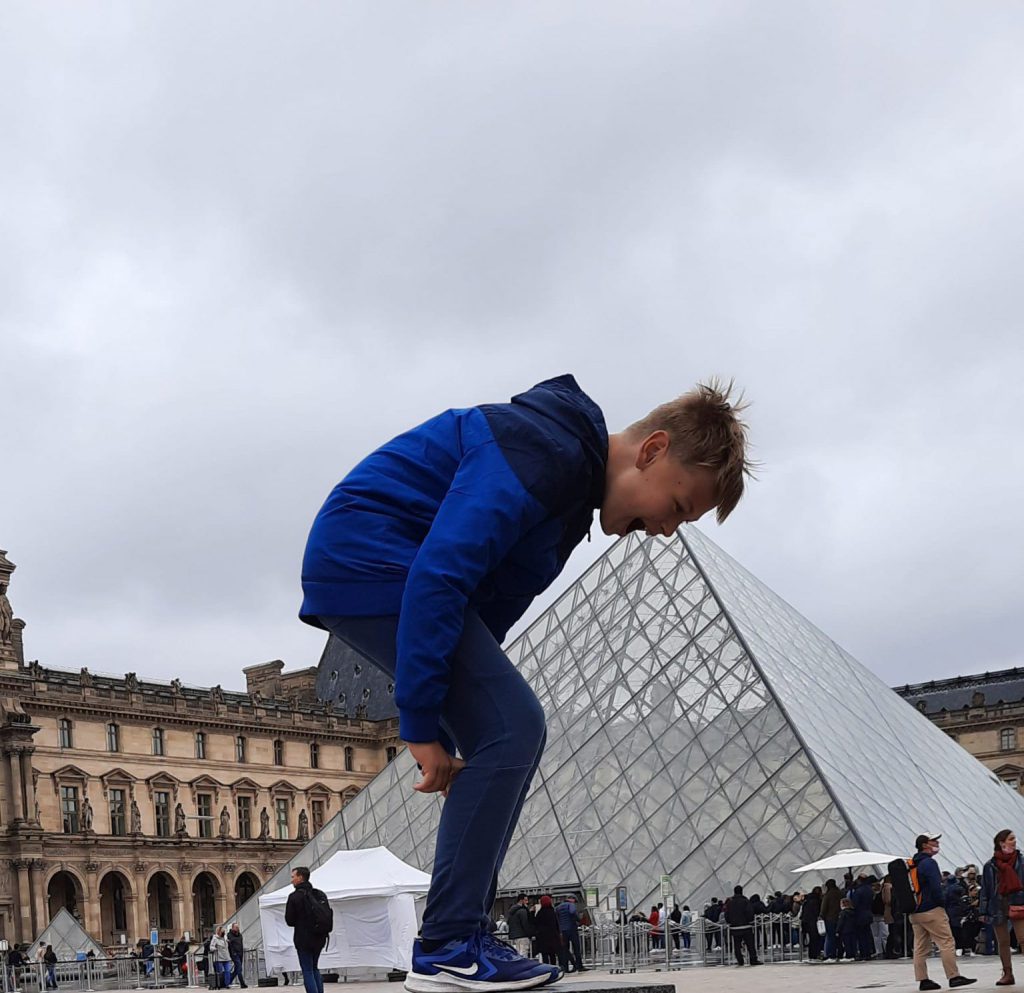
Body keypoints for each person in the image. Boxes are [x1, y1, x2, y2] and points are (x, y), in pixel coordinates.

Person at [300, 376, 750, 992]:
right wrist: (423, 721)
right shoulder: (543, 450)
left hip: (381, 564)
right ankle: (450, 943)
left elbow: (489, 616)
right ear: (653, 451)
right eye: (676, 507)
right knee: (515, 725)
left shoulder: (568, 488)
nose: (667, 530)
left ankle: (461, 935)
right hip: (374, 561)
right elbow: (441, 572)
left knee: (509, 731)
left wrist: (468, 718)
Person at [910, 832, 976, 991]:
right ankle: (954, 976)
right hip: (932, 909)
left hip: (915, 911)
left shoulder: (913, 863)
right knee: (946, 942)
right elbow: (936, 887)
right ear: (925, 844)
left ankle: (923, 980)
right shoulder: (929, 863)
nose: (937, 844)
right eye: (934, 841)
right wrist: (942, 903)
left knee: (920, 947)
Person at [981, 828, 1024, 986]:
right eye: (1011, 838)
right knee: (1003, 942)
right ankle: (1007, 973)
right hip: (998, 906)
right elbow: (985, 890)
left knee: (1022, 938)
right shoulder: (990, 865)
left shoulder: (1021, 861)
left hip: (1018, 903)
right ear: (1001, 842)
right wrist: (983, 910)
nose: (1014, 841)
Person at [285, 866, 328, 993]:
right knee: (315, 968)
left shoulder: (294, 897)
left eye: (293, 877)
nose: (292, 880)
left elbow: (289, 921)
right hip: (320, 937)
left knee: (307, 970)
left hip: (303, 938)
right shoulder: (319, 894)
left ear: (300, 877)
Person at [724, 885, 760, 967]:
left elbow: (727, 914)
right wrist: (749, 921)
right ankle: (753, 960)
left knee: (737, 945)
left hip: (734, 927)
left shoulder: (730, 902)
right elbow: (750, 912)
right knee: (750, 944)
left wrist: (730, 922)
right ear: (741, 891)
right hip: (746, 926)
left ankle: (740, 960)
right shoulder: (745, 901)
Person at [555, 896, 585, 974]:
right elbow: (572, 912)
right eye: (575, 901)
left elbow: (556, 916)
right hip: (571, 929)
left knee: (565, 949)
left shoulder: (558, 907)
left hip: (562, 930)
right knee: (576, 948)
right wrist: (578, 919)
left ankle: (565, 967)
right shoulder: (570, 905)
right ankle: (579, 966)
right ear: (572, 899)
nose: (575, 903)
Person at [533, 896, 561, 967]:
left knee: (545, 954)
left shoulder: (540, 913)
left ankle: (546, 968)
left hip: (543, 938)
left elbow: (535, 923)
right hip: (553, 937)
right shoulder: (552, 912)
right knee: (552, 954)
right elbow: (556, 924)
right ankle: (554, 967)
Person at [820, 879, 841, 961]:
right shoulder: (840, 893)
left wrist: (821, 915)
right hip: (839, 917)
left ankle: (829, 953)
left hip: (830, 918)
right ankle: (839, 952)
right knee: (838, 937)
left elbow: (824, 907)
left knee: (830, 936)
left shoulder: (828, 895)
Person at [801, 885, 823, 961]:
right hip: (814, 922)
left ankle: (811, 955)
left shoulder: (806, 901)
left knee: (811, 939)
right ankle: (816, 954)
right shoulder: (817, 901)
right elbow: (818, 912)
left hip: (807, 922)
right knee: (816, 939)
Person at [227, 923, 248, 988]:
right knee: (239, 968)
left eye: (237, 927)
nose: (237, 928)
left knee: (237, 969)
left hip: (240, 953)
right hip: (234, 954)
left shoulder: (240, 935)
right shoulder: (229, 935)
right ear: (232, 928)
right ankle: (242, 983)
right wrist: (233, 953)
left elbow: (240, 944)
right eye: (236, 927)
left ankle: (228, 982)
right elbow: (230, 945)